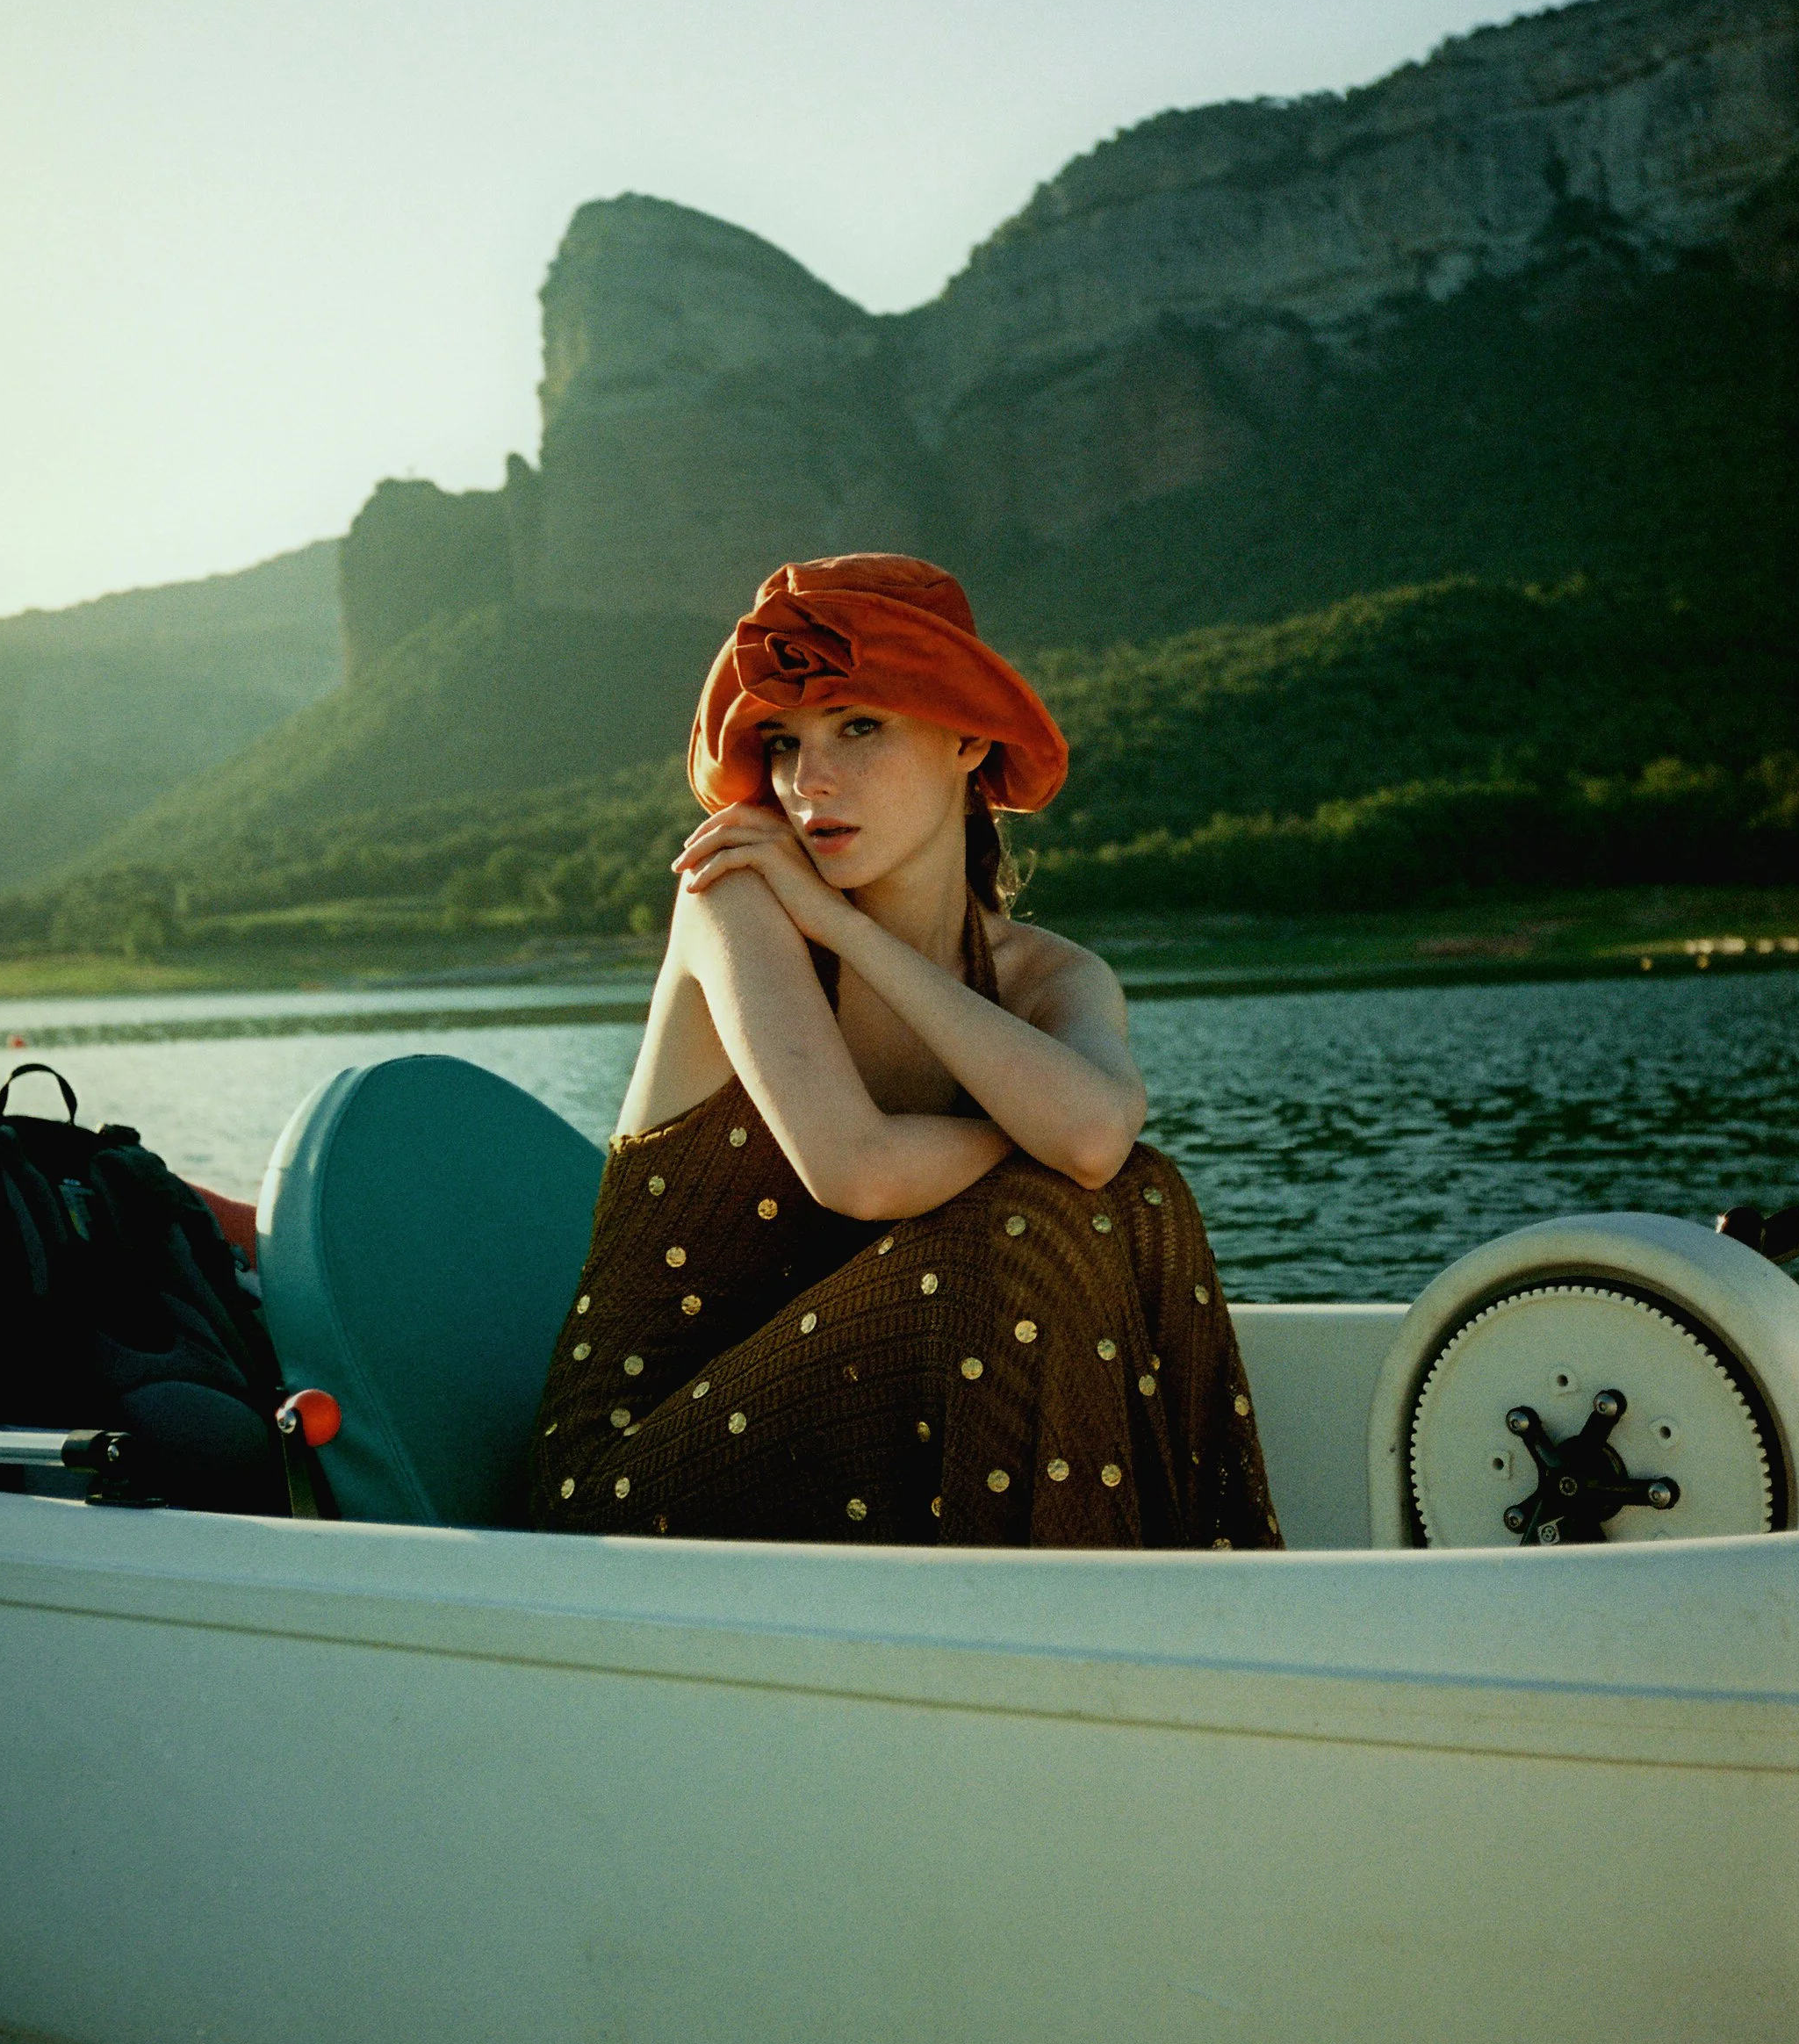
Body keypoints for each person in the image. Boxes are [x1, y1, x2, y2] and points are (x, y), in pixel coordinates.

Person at [526, 552, 1281, 1551]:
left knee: (1141, 1200)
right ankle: (1068, 1627)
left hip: (869, 1460)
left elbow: (1100, 1146)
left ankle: (1172, 1605)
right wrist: (1038, 1134)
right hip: (636, 1481)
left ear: (968, 737)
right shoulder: (737, 892)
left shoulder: (1051, 977)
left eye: (859, 727)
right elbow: (861, 1171)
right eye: (784, 743)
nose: (809, 782)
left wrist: (848, 931)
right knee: (1027, 1220)